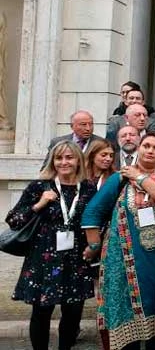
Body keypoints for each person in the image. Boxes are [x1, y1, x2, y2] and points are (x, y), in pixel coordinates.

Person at [82, 132, 155, 350]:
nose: (150, 150)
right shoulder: (119, 178)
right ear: (139, 148)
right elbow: (92, 212)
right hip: (122, 262)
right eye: (146, 145)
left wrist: (139, 177)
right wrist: (94, 247)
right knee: (125, 313)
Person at [7, 141, 96, 350]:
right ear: (53, 161)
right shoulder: (39, 186)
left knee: (73, 312)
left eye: (69, 158)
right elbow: (14, 220)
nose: (64, 162)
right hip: (43, 258)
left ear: (78, 161)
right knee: (41, 312)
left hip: (76, 258)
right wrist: (39, 203)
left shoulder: (88, 188)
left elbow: (97, 220)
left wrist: (94, 246)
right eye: (59, 158)